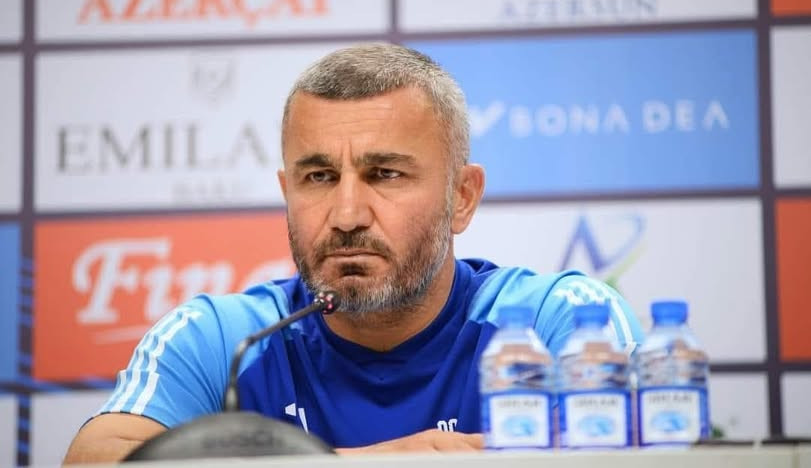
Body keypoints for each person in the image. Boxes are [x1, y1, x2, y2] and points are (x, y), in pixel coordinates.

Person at [64, 43, 643, 463]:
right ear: (287, 193)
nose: (345, 216)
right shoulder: (224, 338)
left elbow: (639, 453)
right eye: (318, 177)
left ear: (461, 197)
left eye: (385, 174)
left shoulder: (560, 319)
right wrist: (369, 463)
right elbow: (95, 460)